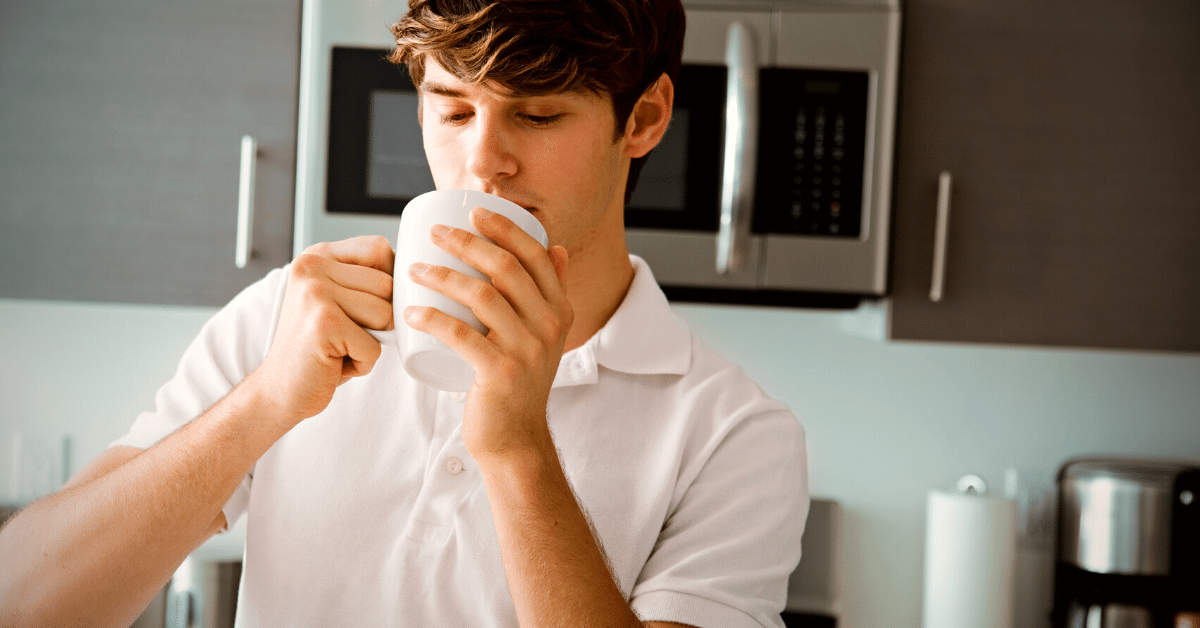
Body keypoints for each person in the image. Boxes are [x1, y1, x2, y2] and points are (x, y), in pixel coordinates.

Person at [0, 0, 808, 626]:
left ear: (644, 119)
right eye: (453, 110)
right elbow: (24, 605)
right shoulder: (291, 316)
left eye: (538, 114)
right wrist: (267, 400)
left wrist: (518, 449)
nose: (481, 161)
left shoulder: (735, 436)